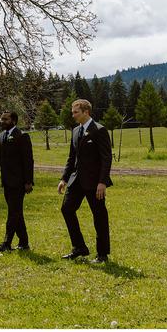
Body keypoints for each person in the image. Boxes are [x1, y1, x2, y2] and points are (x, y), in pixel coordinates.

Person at [57, 99, 113, 264]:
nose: (73, 115)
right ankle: (79, 247)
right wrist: (64, 178)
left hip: (95, 183)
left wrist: (102, 182)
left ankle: (102, 254)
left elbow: (106, 158)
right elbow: (71, 158)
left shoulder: (99, 130)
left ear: (86, 112)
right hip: (76, 181)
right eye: (72, 112)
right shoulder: (75, 131)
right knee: (66, 209)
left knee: (99, 216)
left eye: (76, 112)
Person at [0, 111, 34, 252]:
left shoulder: (22, 136)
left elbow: (28, 160)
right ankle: (24, 243)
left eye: (5, 119)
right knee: (16, 212)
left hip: (19, 182)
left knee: (13, 212)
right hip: (6, 182)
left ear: (13, 121)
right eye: (1, 119)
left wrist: (28, 181)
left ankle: (6, 243)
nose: (2, 121)